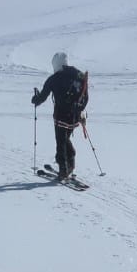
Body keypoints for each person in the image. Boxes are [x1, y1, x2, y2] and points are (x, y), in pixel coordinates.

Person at [32, 51, 89, 180]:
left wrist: (35, 100)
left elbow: (42, 97)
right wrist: (81, 111)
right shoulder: (79, 75)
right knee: (65, 139)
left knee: (61, 141)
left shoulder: (54, 78)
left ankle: (64, 169)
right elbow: (85, 95)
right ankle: (70, 163)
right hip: (75, 116)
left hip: (61, 116)